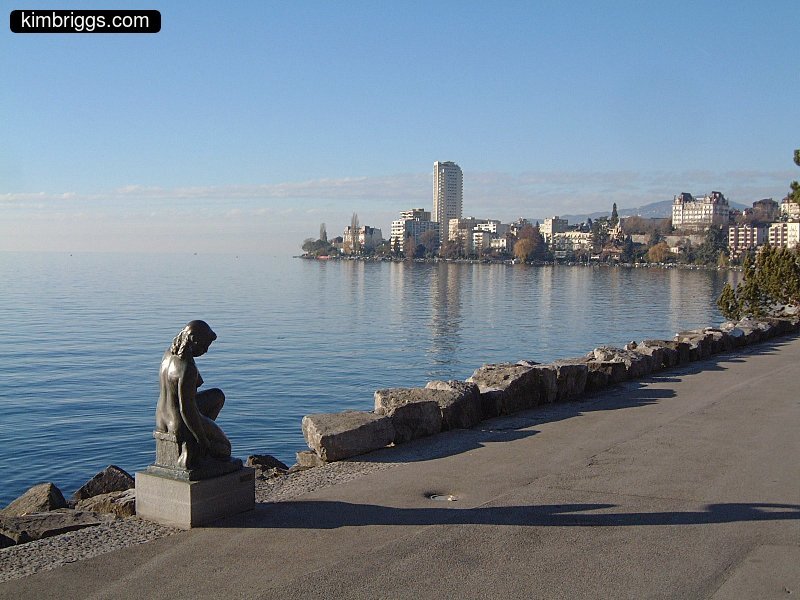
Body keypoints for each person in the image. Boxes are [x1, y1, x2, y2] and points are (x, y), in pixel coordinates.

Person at [155, 320, 231, 470]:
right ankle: (193, 449)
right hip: (179, 422)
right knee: (225, 448)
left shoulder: (169, 354)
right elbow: (187, 409)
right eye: (204, 346)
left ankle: (194, 441)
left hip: (161, 417)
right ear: (193, 340)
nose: (206, 350)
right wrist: (202, 439)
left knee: (217, 397)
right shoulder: (187, 369)